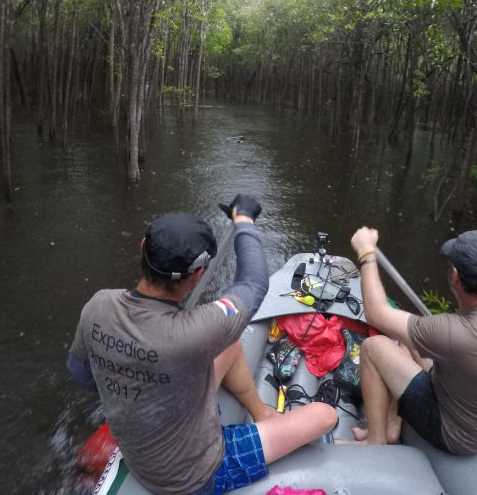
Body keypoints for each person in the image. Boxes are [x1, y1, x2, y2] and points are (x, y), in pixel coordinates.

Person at [67, 195, 338, 494]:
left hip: (140, 458)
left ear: (143, 248)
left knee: (229, 345)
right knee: (325, 416)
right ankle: (259, 424)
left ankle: (262, 413)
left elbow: (81, 373)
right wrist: (243, 219)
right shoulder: (196, 331)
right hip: (198, 476)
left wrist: (136, 382)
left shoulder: (98, 305)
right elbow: (254, 283)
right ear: (197, 275)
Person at [348, 227, 477, 455]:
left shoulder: (455, 332)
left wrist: (366, 252)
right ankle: (392, 424)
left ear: (454, 276)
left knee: (373, 347)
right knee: (406, 338)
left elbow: (375, 313)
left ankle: (376, 440)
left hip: (455, 435)